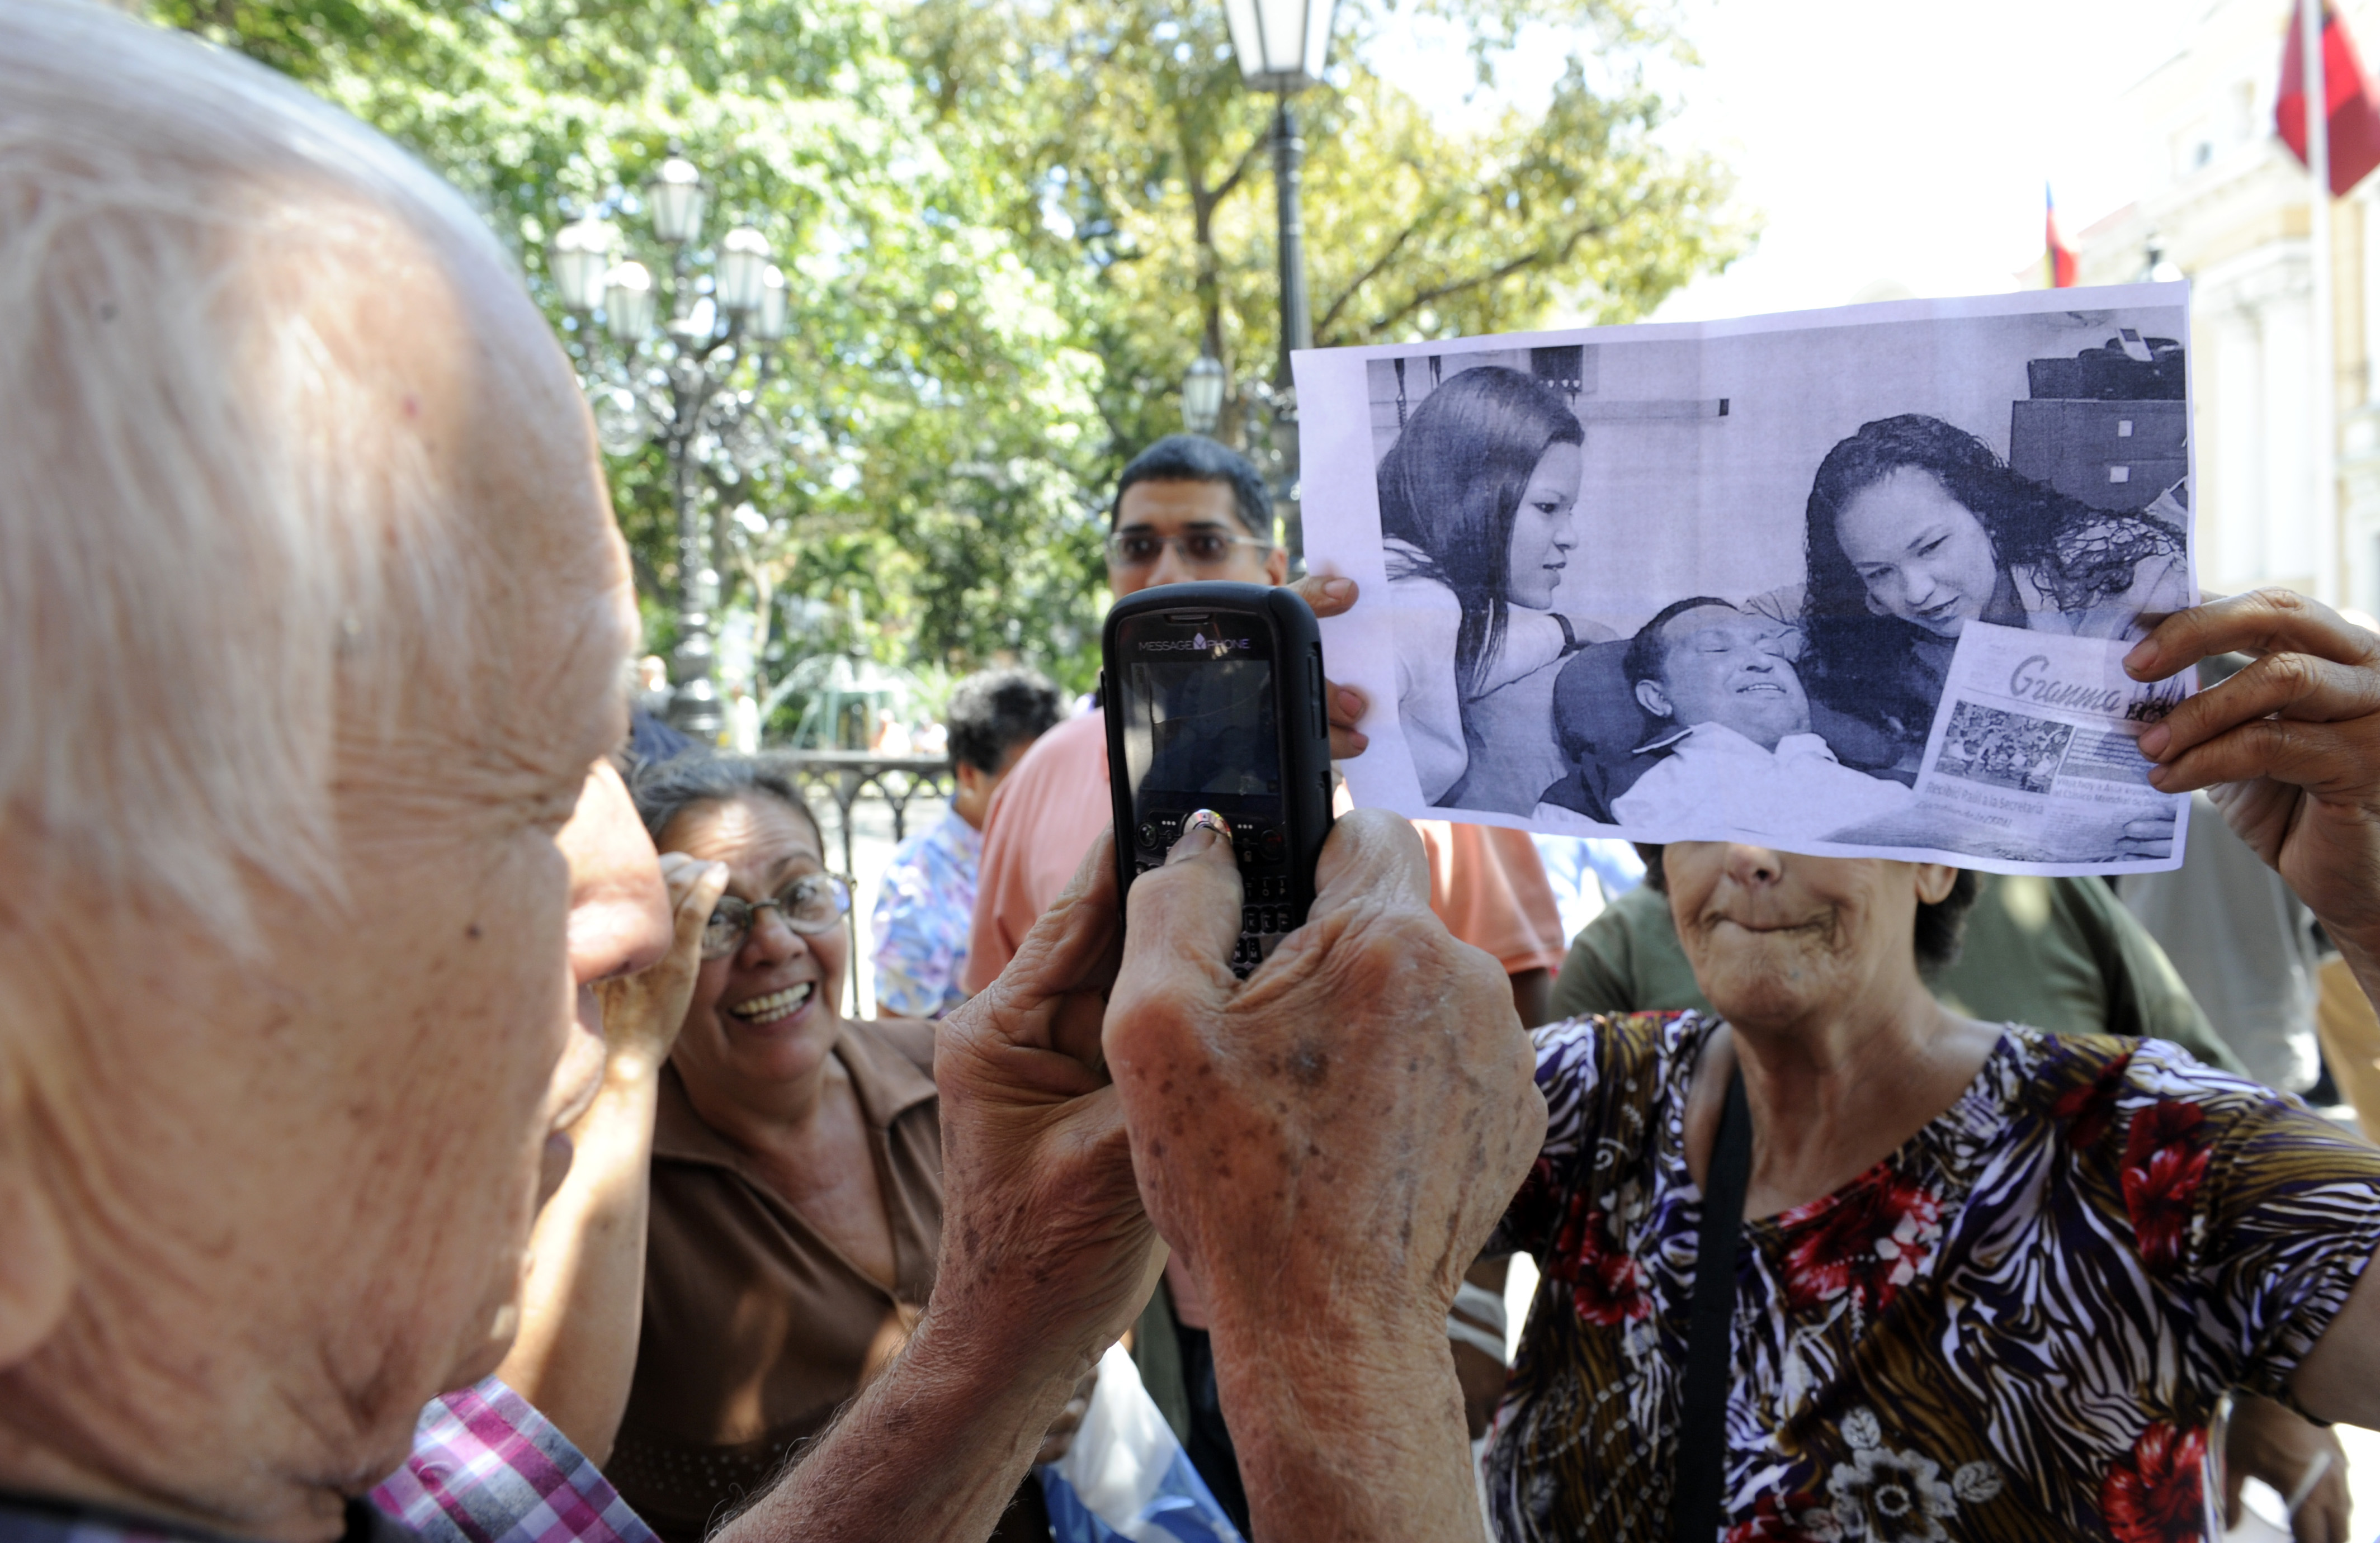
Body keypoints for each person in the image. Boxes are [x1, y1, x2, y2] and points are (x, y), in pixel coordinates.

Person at [0, 12, 1547, 1543]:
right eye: (516, 780)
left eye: (603, 755)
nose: (640, 907)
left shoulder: (400, 1443)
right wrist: (1339, 1343)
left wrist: (1014, 1304)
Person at [1479, 588, 2380, 1542]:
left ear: (1936, 863)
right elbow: (1317, 1226)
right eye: (1707, 818)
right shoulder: (1588, 1102)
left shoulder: (2146, 1151)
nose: (1747, 855)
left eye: (1801, 822)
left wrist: (2369, 915)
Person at [961, 432, 1565, 1528]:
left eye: (1204, 541)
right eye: (1138, 545)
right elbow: (999, 1037)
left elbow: (1515, 1017)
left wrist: (1468, 1284)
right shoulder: (1043, 777)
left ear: (1274, 563)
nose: (1170, 573)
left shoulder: (1406, 749)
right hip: (1128, 1296)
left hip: (1368, 1272)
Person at [1549, 856, 2249, 1076]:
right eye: (1698, 807)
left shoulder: (2056, 897)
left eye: (1809, 804)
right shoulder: (1613, 1084)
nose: (1749, 856)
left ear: (1932, 862)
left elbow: (2249, 1180)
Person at [1801, 413, 2190, 776]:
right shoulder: (1876, 619)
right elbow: (1757, 618)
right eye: (1880, 572)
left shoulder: (2127, 575)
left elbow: (2198, 741)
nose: (1916, 592)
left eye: (1931, 546)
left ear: (1984, 513)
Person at [1376, 365, 1614, 811]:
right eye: (1548, 507)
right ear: (1472, 494)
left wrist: (1569, 628)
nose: (1570, 537)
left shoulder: (1417, 589)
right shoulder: (1418, 603)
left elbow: (1469, 660)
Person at [1599, 597, 1915, 840]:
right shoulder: (1613, 789)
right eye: (1717, 649)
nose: (1761, 660)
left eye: (1772, 649)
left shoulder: (1896, 789)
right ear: (1658, 697)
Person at [872, 668, 1064, 1018]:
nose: (1048, 795)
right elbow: (897, 1035)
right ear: (969, 775)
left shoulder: (1060, 844)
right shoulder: (917, 883)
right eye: (1027, 781)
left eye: (1055, 776)